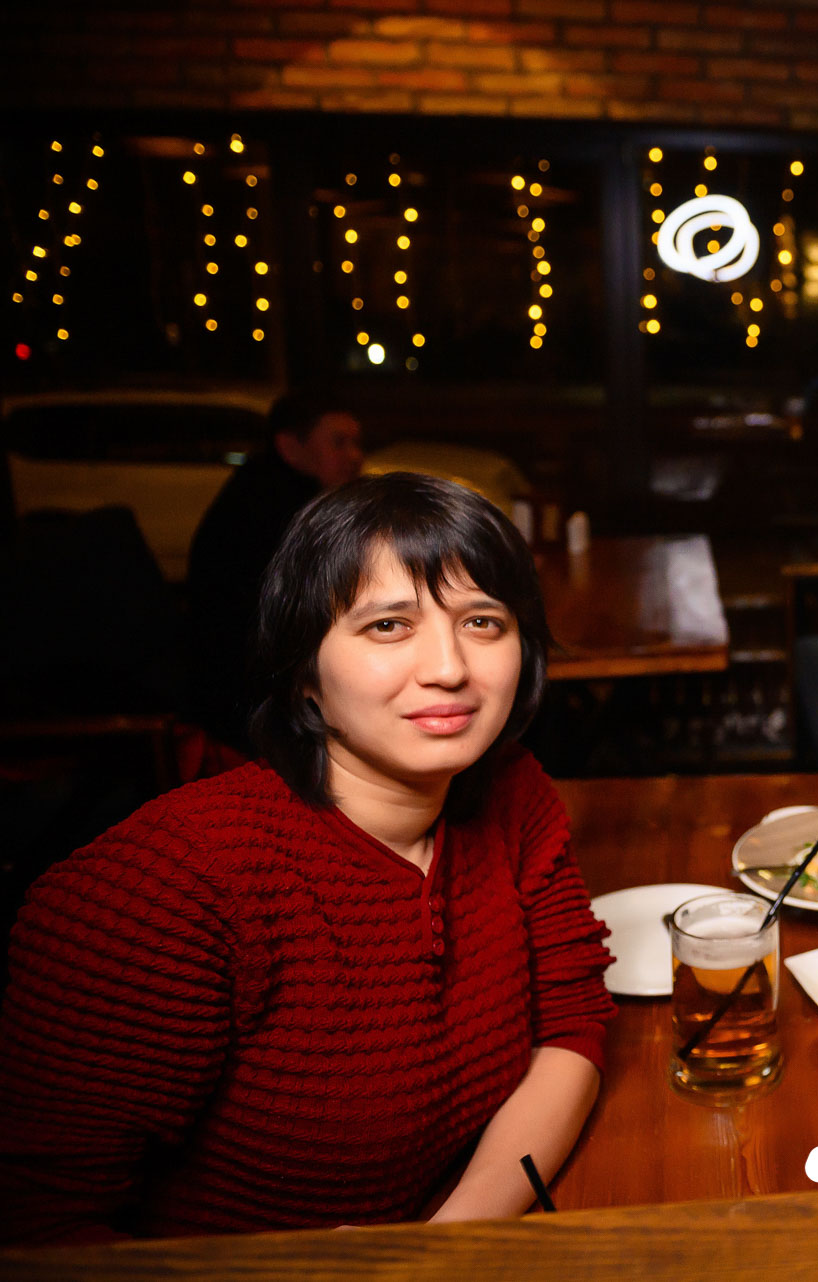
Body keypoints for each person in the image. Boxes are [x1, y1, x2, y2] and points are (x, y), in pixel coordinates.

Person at [0, 473, 614, 1243]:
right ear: (304, 676)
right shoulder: (167, 890)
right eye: (388, 625)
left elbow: (571, 1027)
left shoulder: (514, 792)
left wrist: (442, 1247)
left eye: (483, 621)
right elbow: (39, 1228)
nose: (450, 667)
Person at [186, 392, 365, 755]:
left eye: (356, 443)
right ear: (290, 447)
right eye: (338, 443)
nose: (354, 456)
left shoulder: (282, 491)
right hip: (250, 705)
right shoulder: (277, 509)